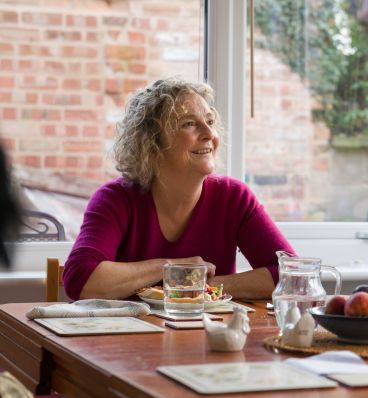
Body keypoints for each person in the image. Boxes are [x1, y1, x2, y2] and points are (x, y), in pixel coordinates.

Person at [63, 77, 294, 301]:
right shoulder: (116, 199)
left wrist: (201, 286)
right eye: (189, 124)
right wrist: (171, 268)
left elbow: (290, 276)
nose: (209, 134)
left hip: (209, 337)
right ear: (151, 143)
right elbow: (81, 279)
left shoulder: (233, 198)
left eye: (210, 121)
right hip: (129, 337)